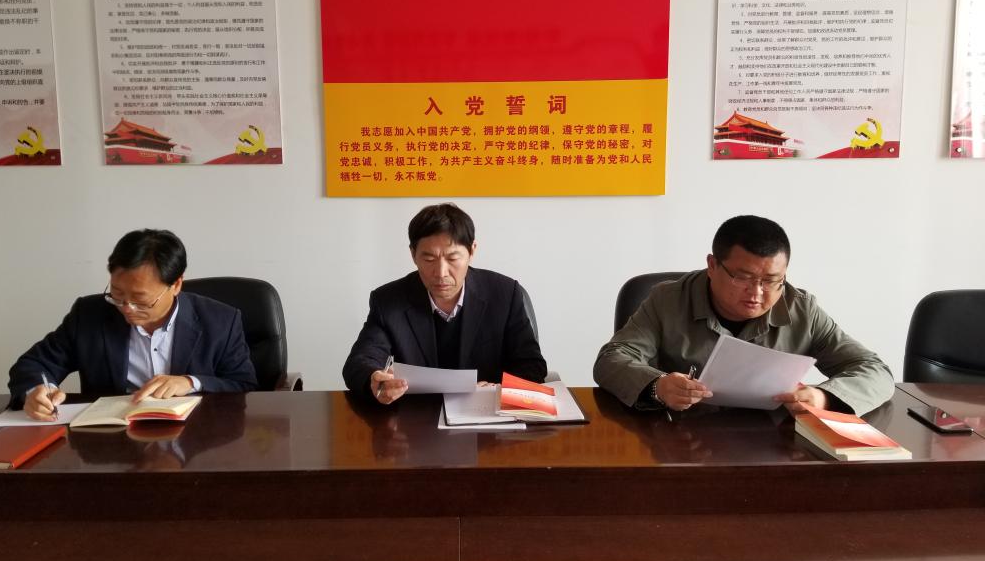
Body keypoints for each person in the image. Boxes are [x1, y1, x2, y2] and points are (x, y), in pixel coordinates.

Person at [594, 215, 893, 417]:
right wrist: (658, 386)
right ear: (712, 265)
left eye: (772, 280)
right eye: (743, 278)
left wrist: (823, 397)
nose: (757, 293)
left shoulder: (801, 309)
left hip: (772, 445)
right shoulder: (667, 300)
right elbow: (611, 360)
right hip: (683, 440)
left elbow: (874, 370)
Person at [8, 229, 258, 420]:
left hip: (195, 437)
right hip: (111, 441)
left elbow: (244, 385)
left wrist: (191, 382)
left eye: (140, 299)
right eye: (117, 294)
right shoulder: (89, 314)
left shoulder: (220, 320)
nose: (126, 308)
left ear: (176, 285)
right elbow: (34, 364)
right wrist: (37, 391)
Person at [343, 203, 547, 403]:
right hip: (418, 418)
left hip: (486, 414)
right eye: (429, 259)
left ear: (472, 251)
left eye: (452, 258)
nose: (441, 273)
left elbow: (532, 366)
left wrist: (495, 390)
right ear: (413, 254)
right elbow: (360, 362)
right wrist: (375, 380)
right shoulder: (388, 300)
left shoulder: (504, 294)